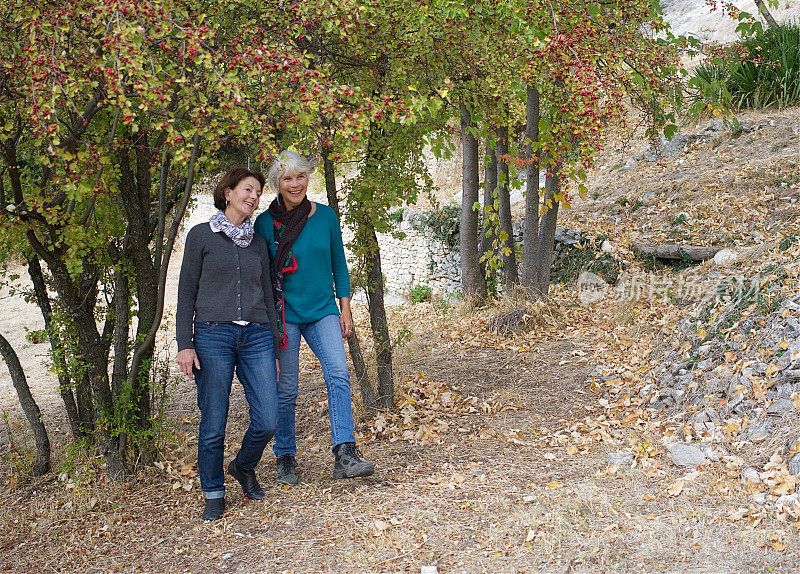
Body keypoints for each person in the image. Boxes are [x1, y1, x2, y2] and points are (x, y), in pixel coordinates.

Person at [254, 150, 374, 485]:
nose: (295, 184)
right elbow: (261, 278)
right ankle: (285, 456)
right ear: (278, 183)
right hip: (284, 315)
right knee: (287, 387)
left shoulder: (325, 217)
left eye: (300, 176)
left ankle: (345, 453)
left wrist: (345, 308)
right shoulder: (265, 224)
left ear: (309, 178)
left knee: (338, 374)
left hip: (322, 311)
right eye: (287, 178)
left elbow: (339, 265)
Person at [176, 167, 280, 522]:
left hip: (257, 335)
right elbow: (186, 292)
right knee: (214, 421)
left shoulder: (258, 242)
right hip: (211, 336)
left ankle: (243, 465)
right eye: (248, 190)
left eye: (257, 193)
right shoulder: (201, 235)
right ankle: (214, 492)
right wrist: (184, 343)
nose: (253, 197)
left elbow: (267, 294)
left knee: (269, 417)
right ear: (228, 192)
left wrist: (275, 340)